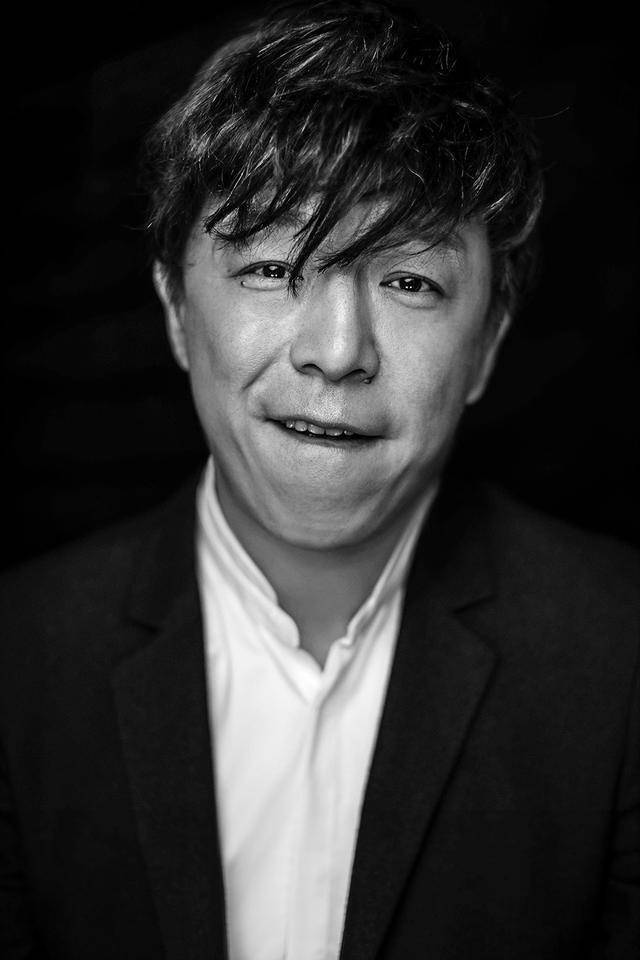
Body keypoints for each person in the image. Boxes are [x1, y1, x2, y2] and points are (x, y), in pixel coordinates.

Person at [0, 1, 638, 957]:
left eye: (410, 281)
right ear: (175, 310)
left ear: (487, 346)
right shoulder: (20, 658)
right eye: (272, 266)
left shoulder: (622, 660)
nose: (338, 352)